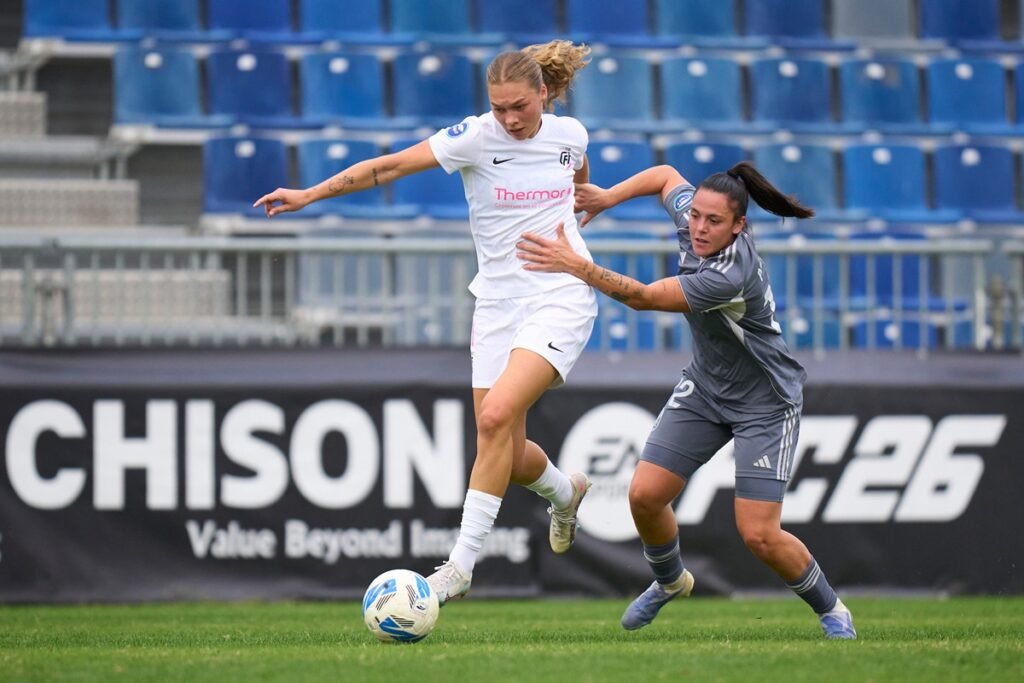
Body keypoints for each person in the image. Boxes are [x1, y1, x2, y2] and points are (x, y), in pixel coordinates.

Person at [253, 41, 597, 606]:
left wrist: (586, 207)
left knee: (494, 415)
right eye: (499, 107)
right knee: (505, 454)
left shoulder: (570, 135)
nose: (509, 119)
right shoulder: (474, 137)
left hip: (560, 293)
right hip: (496, 302)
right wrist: (311, 194)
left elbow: (578, 176)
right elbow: (388, 166)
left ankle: (459, 567)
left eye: (519, 106)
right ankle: (565, 492)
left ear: (544, 94)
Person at [516, 161, 857, 640]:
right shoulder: (697, 220)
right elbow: (664, 175)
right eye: (694, 215)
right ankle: (670, 580)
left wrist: (575, 264)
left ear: (739, 225)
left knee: (759, 533)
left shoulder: (729, 273)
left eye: (713, 221)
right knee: (644, 496)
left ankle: (832, 610)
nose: (698, 227)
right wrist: (608, 196)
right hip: (707, 389)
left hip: (766, 401)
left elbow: (644, 297)